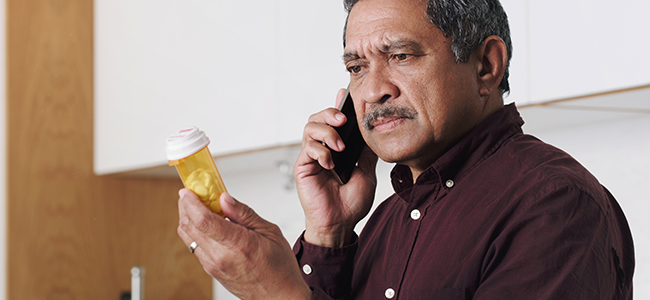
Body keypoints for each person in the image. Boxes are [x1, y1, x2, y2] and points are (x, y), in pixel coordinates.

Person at [177, 0, 635, 299]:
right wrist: (328, 236)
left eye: (401, 56)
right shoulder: (384, 221)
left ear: (486, 65)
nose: (372, 90)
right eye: (357, 66)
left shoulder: (554, 205)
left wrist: (278, 293)